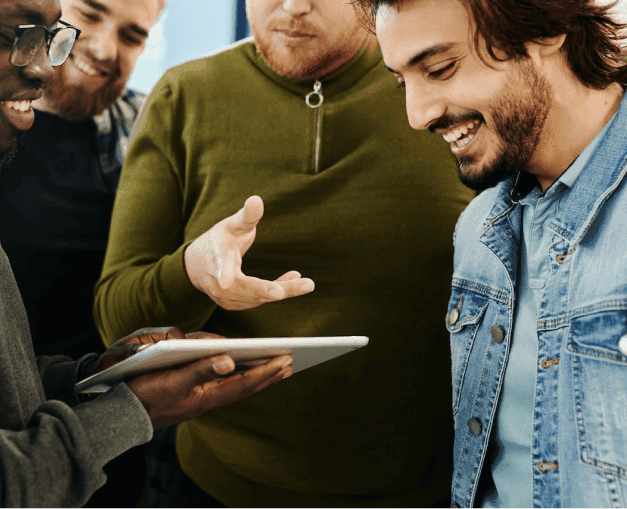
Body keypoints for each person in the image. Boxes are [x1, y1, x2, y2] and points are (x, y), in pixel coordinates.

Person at [0, 0, 294, 506]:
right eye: (16, 35)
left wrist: (95, 378)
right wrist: (128, 410)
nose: (46, 68)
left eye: (48, 39)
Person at [93, 0, 474, 506]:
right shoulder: (184, 96)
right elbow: (115, 325)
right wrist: (191, 273)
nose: (293, 6)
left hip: (427, 486)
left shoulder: (445, 91)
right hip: (215, 485)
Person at [365, 0, 627, 507]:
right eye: (402, 82)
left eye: (440, 68)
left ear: (546, 30)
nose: (417, 115)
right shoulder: (479, 228)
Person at [0, 1, 164, 504]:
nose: (107, 48)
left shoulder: (149, 128)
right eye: (90, 15)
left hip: (112, 428)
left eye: (133, 37)